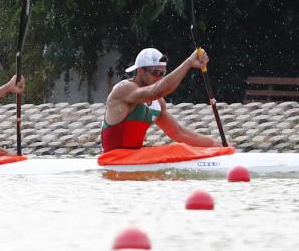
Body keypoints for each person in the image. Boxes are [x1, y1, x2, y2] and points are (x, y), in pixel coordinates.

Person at [98, 47, 234, 165]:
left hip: (133, 157)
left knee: (180, 147)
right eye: (155, 72)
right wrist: (189, 62)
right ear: (140, 71)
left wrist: (215, 145)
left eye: (162, 74)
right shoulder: (124, 89)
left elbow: (179, 133)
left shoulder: (157, 103)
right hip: (113, 159)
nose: (159, 77)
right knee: (178, 150)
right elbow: (157, 90)